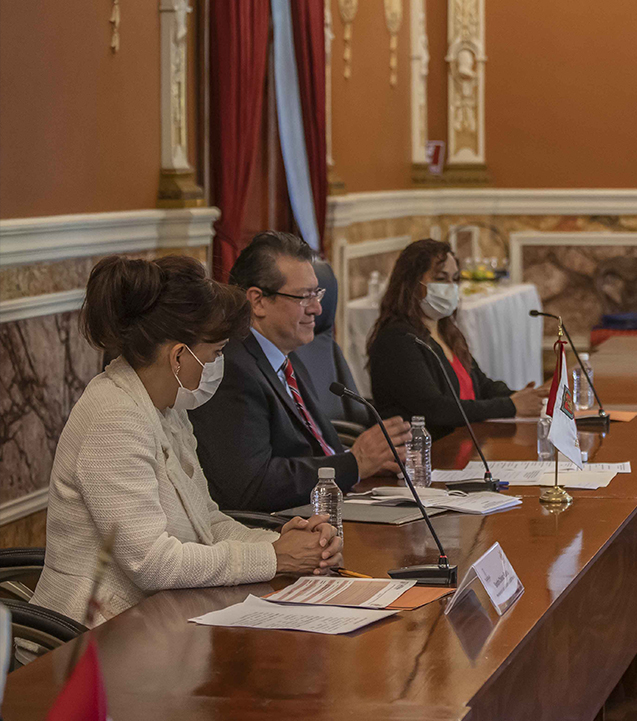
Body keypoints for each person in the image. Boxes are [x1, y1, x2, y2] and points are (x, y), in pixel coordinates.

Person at [30, 256, 342, 624]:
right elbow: (153, 563)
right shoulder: (113, 417)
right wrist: (276, 558)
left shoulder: (168, 406)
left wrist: (283, 545)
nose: (218, 364)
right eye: (216, 353)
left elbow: (206, 522)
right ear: (179, 356)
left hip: (163, 620)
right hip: (97, 637)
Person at [191, 232, 411, 513]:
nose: (317, 308)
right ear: (257, 301)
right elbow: (250, 484)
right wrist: (353, 464)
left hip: (328, 506)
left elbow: (317, 449)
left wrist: (368, 462)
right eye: (303, 297)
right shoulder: (232, 369)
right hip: (284, 528)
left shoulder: (287, 357)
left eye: (317, 294)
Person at [367, 239, 547, 440]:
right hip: (428, 453)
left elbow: (482, 385)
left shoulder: (446, 331)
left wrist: (530, 398)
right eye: (441, 279)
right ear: (412, 284)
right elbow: (436, 409)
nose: (451, 287)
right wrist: (511, 406)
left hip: (467, 442)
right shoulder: (396, 341)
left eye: (455, 279)